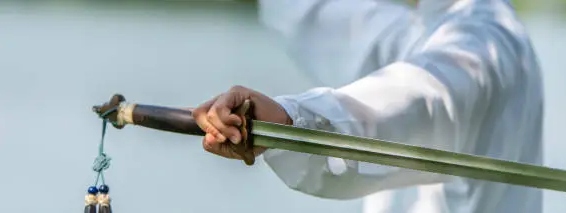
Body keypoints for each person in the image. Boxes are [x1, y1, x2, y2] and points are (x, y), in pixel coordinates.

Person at [191, 0, 544, 213]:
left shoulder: (482, 46)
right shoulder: (429, 29)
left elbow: (425, 101)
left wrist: (288, 122)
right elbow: (322, 18)